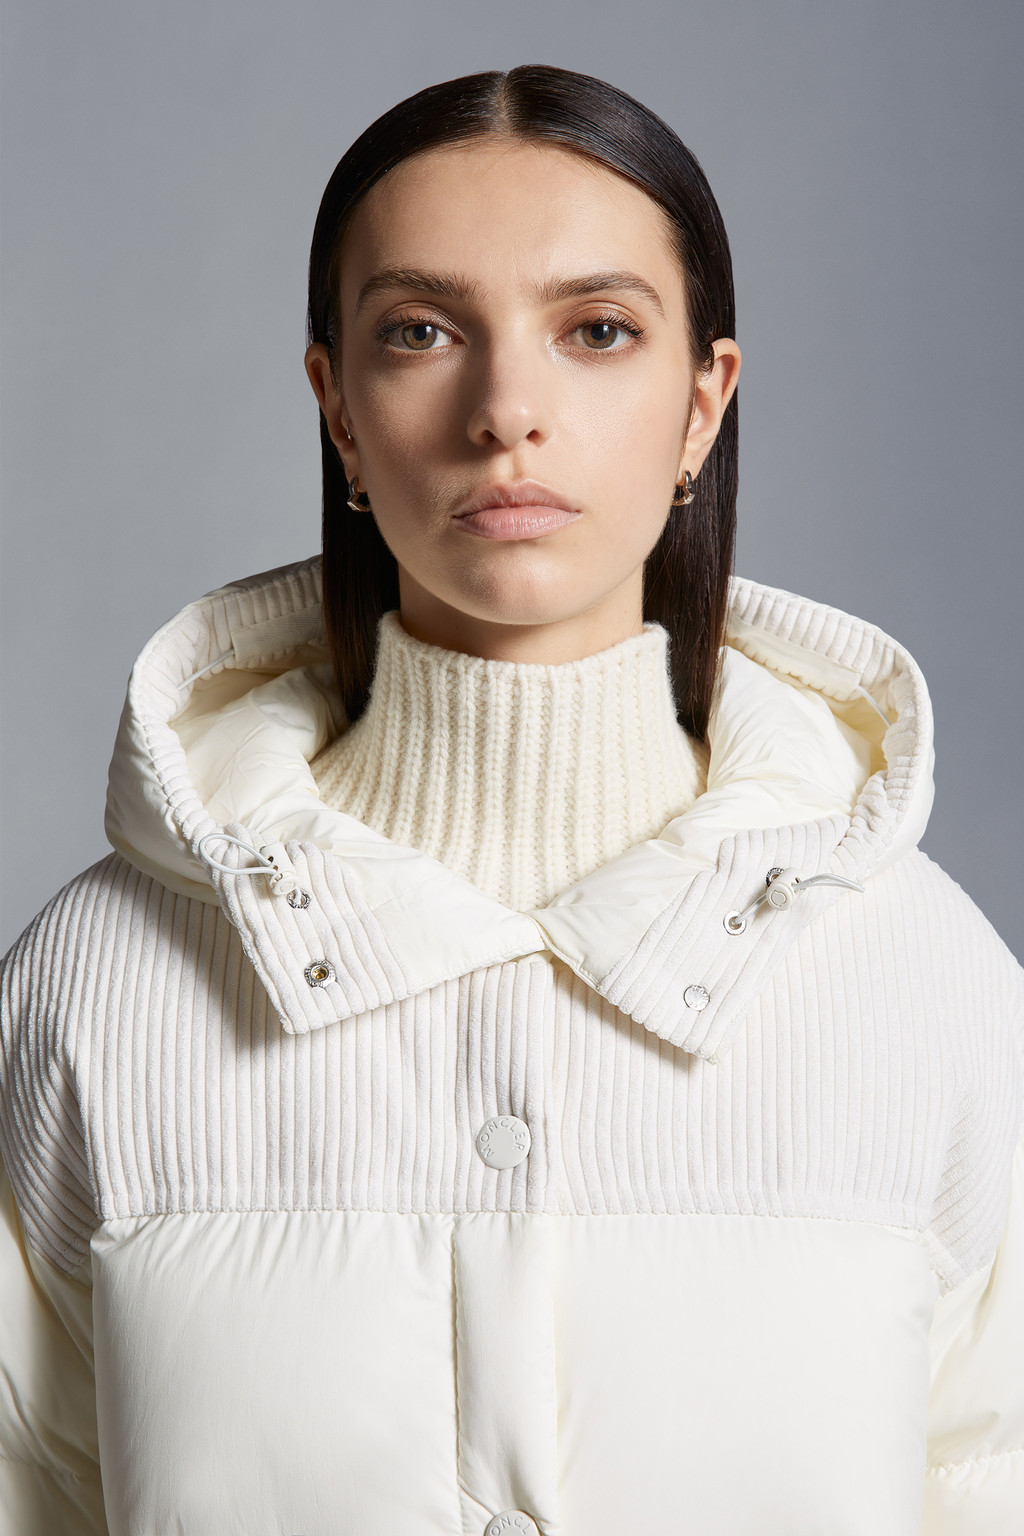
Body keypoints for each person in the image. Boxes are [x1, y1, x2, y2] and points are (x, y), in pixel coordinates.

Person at [0, 63, 1021, 1536]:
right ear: (338, 409)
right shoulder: (98, 988)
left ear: (703, 404)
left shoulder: (927, 984)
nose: (507, 412)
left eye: (597, 330)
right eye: (421, 331)